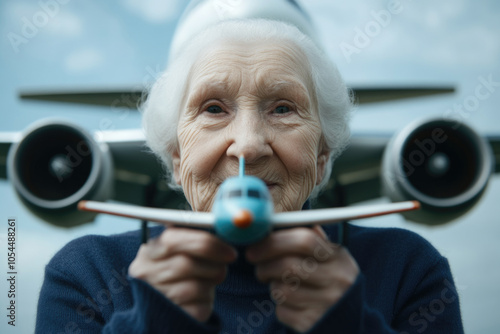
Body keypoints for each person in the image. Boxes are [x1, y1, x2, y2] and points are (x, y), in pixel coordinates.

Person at [35, 5, 464, 334]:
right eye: (213, 108)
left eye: (283, 108)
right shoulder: (84, 276)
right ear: (177, 155)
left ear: (322, 158)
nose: (248, 145)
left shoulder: (410, 270)